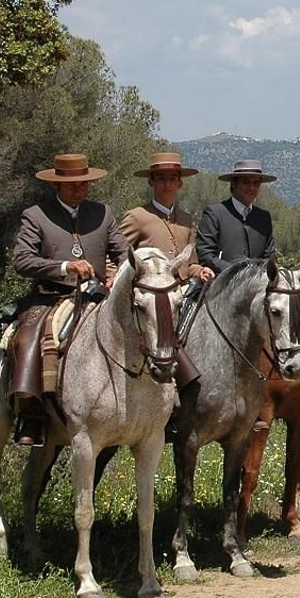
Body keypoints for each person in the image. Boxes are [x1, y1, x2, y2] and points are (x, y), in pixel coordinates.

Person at [7, 153, 129, 446]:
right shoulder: (36, 215)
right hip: (50, 296)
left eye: (84, 183)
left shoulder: (102, 214)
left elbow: (123, 252)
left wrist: (120, 275)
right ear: (57, 185)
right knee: (28, 338)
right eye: (72, 183)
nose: (79, 188)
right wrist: (64, 267)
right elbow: (22, 260)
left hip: (96, 296)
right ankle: (31, 413)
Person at [120, 151, 213, 434]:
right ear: (151, 182)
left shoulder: (185, 219)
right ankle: (172, 402)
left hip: (183, 293)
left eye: (173, 178)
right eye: (162, 178)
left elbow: (191, 261)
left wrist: (200, 271)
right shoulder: (137, 217)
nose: (168, 184)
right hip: (154, 297)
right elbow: (119, 256)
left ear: (180, 183)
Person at [196, 159, 278, 274]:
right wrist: (234, 272)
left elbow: (269, 255)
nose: (252, 188)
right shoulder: (215, 213)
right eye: (246, 182)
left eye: (256, 183)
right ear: (234, 184)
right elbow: (205, 254)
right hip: (221, 285)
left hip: (258, 286)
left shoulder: (263, 217)